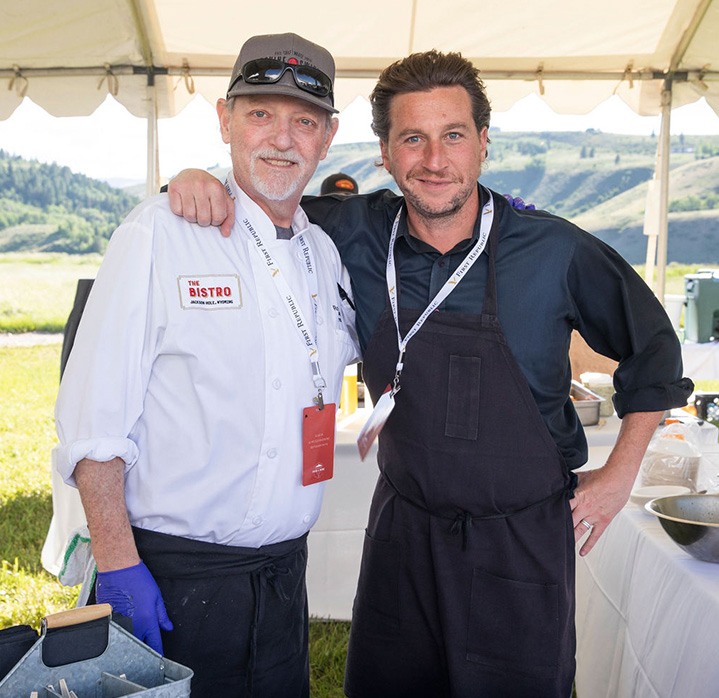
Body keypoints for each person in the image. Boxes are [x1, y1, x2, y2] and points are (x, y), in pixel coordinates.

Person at [166, 49, 692, 697]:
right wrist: (199, 178)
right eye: (412, 139)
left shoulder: (554, 250)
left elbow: (655, 352)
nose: (434, 160)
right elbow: (259, 203)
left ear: (482, 144)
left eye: (453, 136)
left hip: (518, 541)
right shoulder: (349, 230)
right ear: (384, 153)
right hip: (403, 531)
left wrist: (619, 474)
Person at [54, 32, 358, 698]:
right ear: (224, 120)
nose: (281, 139)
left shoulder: (324, 254)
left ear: (327, 136)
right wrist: (118, 565)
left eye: (303, 121)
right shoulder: (159, 232)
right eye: (260, 114)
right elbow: (93, 420)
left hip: (281, 580)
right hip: (171, 575)